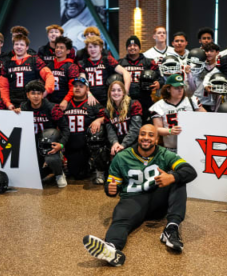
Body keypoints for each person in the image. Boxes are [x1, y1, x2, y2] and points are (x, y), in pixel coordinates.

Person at [83, 125, 197, 266]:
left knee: (178, 179)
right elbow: (112, 183)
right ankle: (111, 249)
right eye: (143, 134)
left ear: (156, 139)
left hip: (157, 201)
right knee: (120, 221)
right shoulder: (122, 157)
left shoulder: (165, 154)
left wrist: (172, 177)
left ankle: (171, 229)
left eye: (150, 135)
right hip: (132, 200)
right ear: (138, 137)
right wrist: (110, 189)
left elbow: (190, 171)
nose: (146, 138)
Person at [20, 80, 69, 187]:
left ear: (43, 95)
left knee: (51, 157)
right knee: (35, 177)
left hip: (49, 143)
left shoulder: (52, 108)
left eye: (38, 93)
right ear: (27, 95)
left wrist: (61, 144)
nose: (36, 96)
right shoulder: (23, 108)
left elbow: (65, 128)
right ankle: (47, 170)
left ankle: (59, 174)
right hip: (32, 145)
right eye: (33, 93)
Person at [62, 76, 107, 181]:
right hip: (70, 144)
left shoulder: (92, 103)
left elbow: (107, 116)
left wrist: (98, 120)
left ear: (87, 89)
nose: (77, 88)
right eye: (75, 86)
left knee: (98, 137)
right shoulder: (65, 104)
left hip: (87, 144)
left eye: (81, 86)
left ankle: (98, 169)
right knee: (77, 174)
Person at [0, 33, 55, 112]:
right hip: (13, 103)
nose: (19, 47)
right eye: (16, 44)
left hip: (32, 103)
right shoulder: (7, 64)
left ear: (27, 47)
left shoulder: (35, 60)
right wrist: (8, 103)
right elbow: (3, 87)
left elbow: (49, 75)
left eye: (22, 44)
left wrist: (46, 91)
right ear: (13, 46)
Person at [150, 73, 205, 150]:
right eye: (176, 88)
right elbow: (157, 129)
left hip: (191, 146)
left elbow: (205, 119)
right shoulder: (158, 106)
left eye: (182, 87)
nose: (180, 90)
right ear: (168, 89)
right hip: (171, 148)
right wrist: (170, 131)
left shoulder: (192, 101)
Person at [78, 35, 131, 104]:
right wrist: (89, 94)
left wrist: (125, 90)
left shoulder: (107, 60)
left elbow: (125, 72)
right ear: (87, 49)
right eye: (90, 47)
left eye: (95, 46)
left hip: (107, 100)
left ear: (100, 48)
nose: (93, 49)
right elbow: (83, 81)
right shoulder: (83, 63)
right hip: (89, 99)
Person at [104, 79, 144, 157]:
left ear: (124, 92)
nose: (116, 93)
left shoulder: (134, 104)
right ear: (109, 93)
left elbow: (135, 128)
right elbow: (110, 131)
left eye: (119, 90)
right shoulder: (108, 110)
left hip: (134, 144)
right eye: (113, 90)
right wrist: (115, 143)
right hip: (118, 144)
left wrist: (123, 145)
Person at [119, 35, 158, 101]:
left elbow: (159, 76)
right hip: (126, 98)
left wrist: (158, 83)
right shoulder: (120, 63)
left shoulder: (149, 62)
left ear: (139, 48)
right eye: (129, 46)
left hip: (144, 97)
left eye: (135, 45)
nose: (132, 47)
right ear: (126, 48)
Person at [47, 36, 80, 108]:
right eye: (57, 47)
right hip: (50, 103)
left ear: (68, 51)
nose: (58, 49)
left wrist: (66, 100)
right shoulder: (49, 65)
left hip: (65, 103)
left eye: (61, 48)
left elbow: (73, 87)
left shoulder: (72, 66)